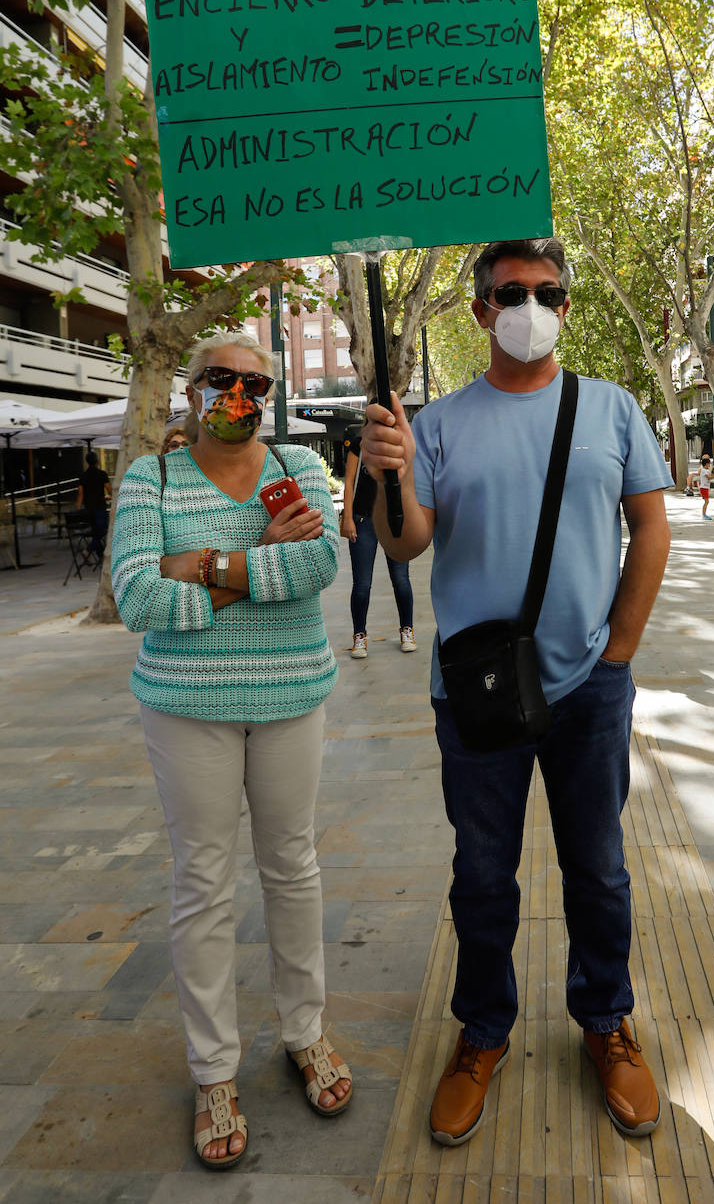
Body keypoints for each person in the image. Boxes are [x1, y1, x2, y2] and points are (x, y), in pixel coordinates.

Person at [362, 238, 672, 1146]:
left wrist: (618, 651)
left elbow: (649, 527)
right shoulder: (441, 423)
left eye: (548, 292)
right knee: (483, 876)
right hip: (478, 690)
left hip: (587, 687)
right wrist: (389, 466)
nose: (531, 305)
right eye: (511, 292)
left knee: (600, 869)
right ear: (480, 310)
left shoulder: (613, 408)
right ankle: (482, 1032)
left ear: (567, 305)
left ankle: (606, 1021)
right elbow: (406, 542)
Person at [111, 330, 352, 1171]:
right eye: (220, 378)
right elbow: (137, 593)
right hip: (186, 708)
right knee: (202, 881)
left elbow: (319, 564)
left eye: (255, 380)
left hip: (291, 695)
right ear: (190, 390)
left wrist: (201, 568)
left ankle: (305, 1031)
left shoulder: (299, 466)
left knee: (293, 867)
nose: (238, 393)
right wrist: (251, 562)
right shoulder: (155, 477)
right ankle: (214, 1069)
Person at [340, 428, 416, 657]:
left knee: (401, 579)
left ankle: (407, 629)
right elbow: (350, 482)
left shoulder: (400, 444)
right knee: (362, 584)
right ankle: (359, 636)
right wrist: (349, 520)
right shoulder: (360, 444)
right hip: (364, 520)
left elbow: (409, 484)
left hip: (393, 521)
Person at [75, 450, 111, 557]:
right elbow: (109, 490)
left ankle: (100, 556)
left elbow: (80, 494)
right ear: (97, 461)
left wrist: (78, 508)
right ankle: (88, 549)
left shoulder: (83, 476)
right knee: (102, 530)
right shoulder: (102, 474)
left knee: (96, 531)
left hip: (88, 509)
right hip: (100, 507)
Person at [688, 454, 714, 519]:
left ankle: (704, 514)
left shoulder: (707, 471)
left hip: (706, 487)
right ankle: (704, 515)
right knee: (706, 501)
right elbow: (709, 477)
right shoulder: (703, 471)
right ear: (706, 464)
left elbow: (710, 476)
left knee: (707, 501)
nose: (710, 465)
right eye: (709, 464)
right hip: (703, 488)